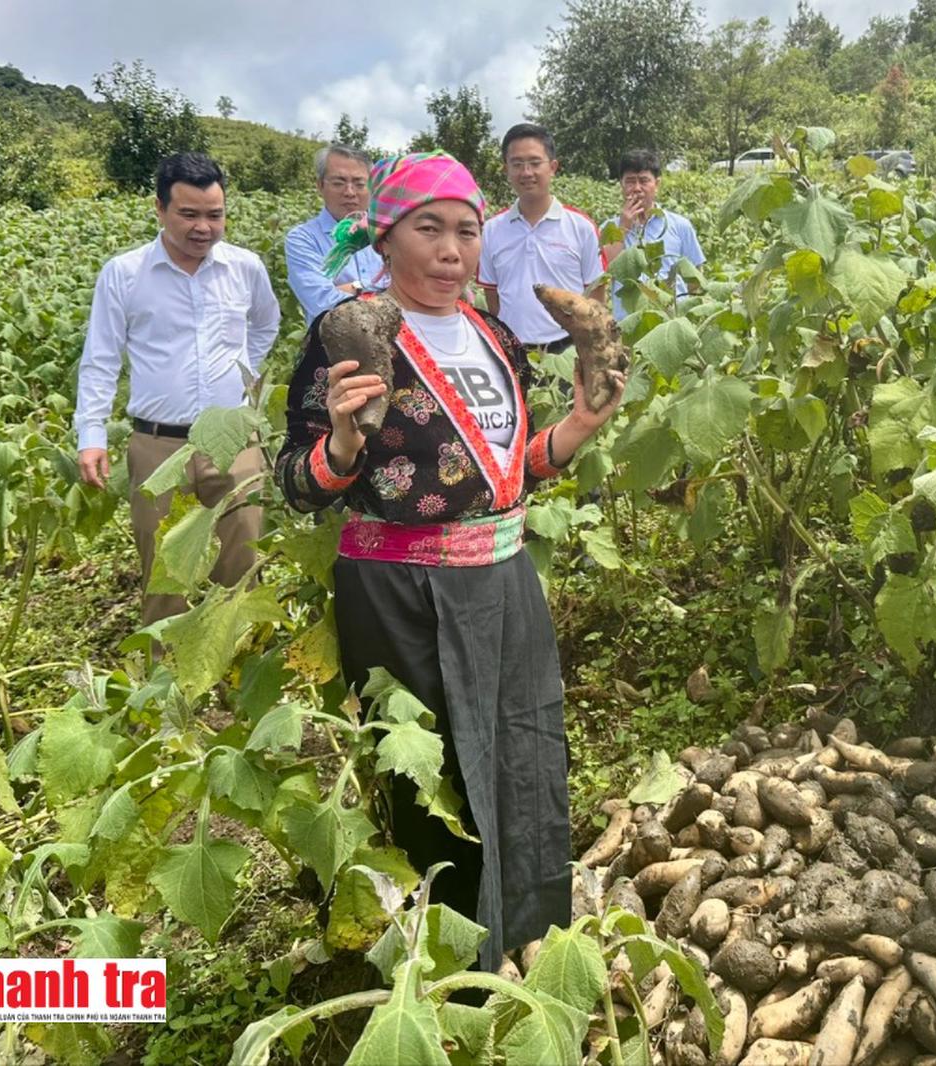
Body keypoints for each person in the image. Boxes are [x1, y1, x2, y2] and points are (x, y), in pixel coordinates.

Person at [274, 152, 625, 972]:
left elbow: (503, 475)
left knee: (521, 752)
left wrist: (577, 426)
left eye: (466, 231)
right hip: (402, 593)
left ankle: (525, 936)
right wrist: (344, 440)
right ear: (384, 238)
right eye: (427, 229)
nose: (450, 250)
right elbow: (298, 481)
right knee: (434, 784)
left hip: (503, 579)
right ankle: (445, 967)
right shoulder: (348, 334)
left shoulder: (494, 335)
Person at [76, 152, 280, 624]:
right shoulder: (125, 274)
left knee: (242, 570)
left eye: (215, 215)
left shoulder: (245, 268)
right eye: (188, 214)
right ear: (159, 209)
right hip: (159, 446)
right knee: (164, 576)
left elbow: (266, 323)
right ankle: (166, 670)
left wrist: (242, 371)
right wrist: (92, 435)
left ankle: (240, 664)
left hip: (235, 442)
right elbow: (101, 358)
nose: (203, 228)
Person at [477, 123, 606, 353]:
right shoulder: (491, 230)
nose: (527, 172)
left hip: (569, 349)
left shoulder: (581, 227)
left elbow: (596, 295)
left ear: (553, 167)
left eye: (535, 163)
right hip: (513, 349)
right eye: (517, 164)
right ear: (506, 169)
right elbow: (492, 296)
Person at [286, 144, 386, 326]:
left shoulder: (388, 233)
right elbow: (323, 302)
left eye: (359, 184)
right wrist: (381, 291)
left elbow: (412, 289)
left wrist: (354, 288)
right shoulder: (303, 238)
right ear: (320, 185)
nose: (350, 192)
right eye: (339, 183)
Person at [600, 148, 706, 320]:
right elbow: (607, 271)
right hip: (628, 323)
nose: (637, 188)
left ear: (657, 184)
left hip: (670, 321)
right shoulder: (608, 228)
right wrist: (623, 227)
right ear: (621, 185)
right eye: (630, 181)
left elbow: (695, 279)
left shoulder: (679, 225)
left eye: (644, 181)